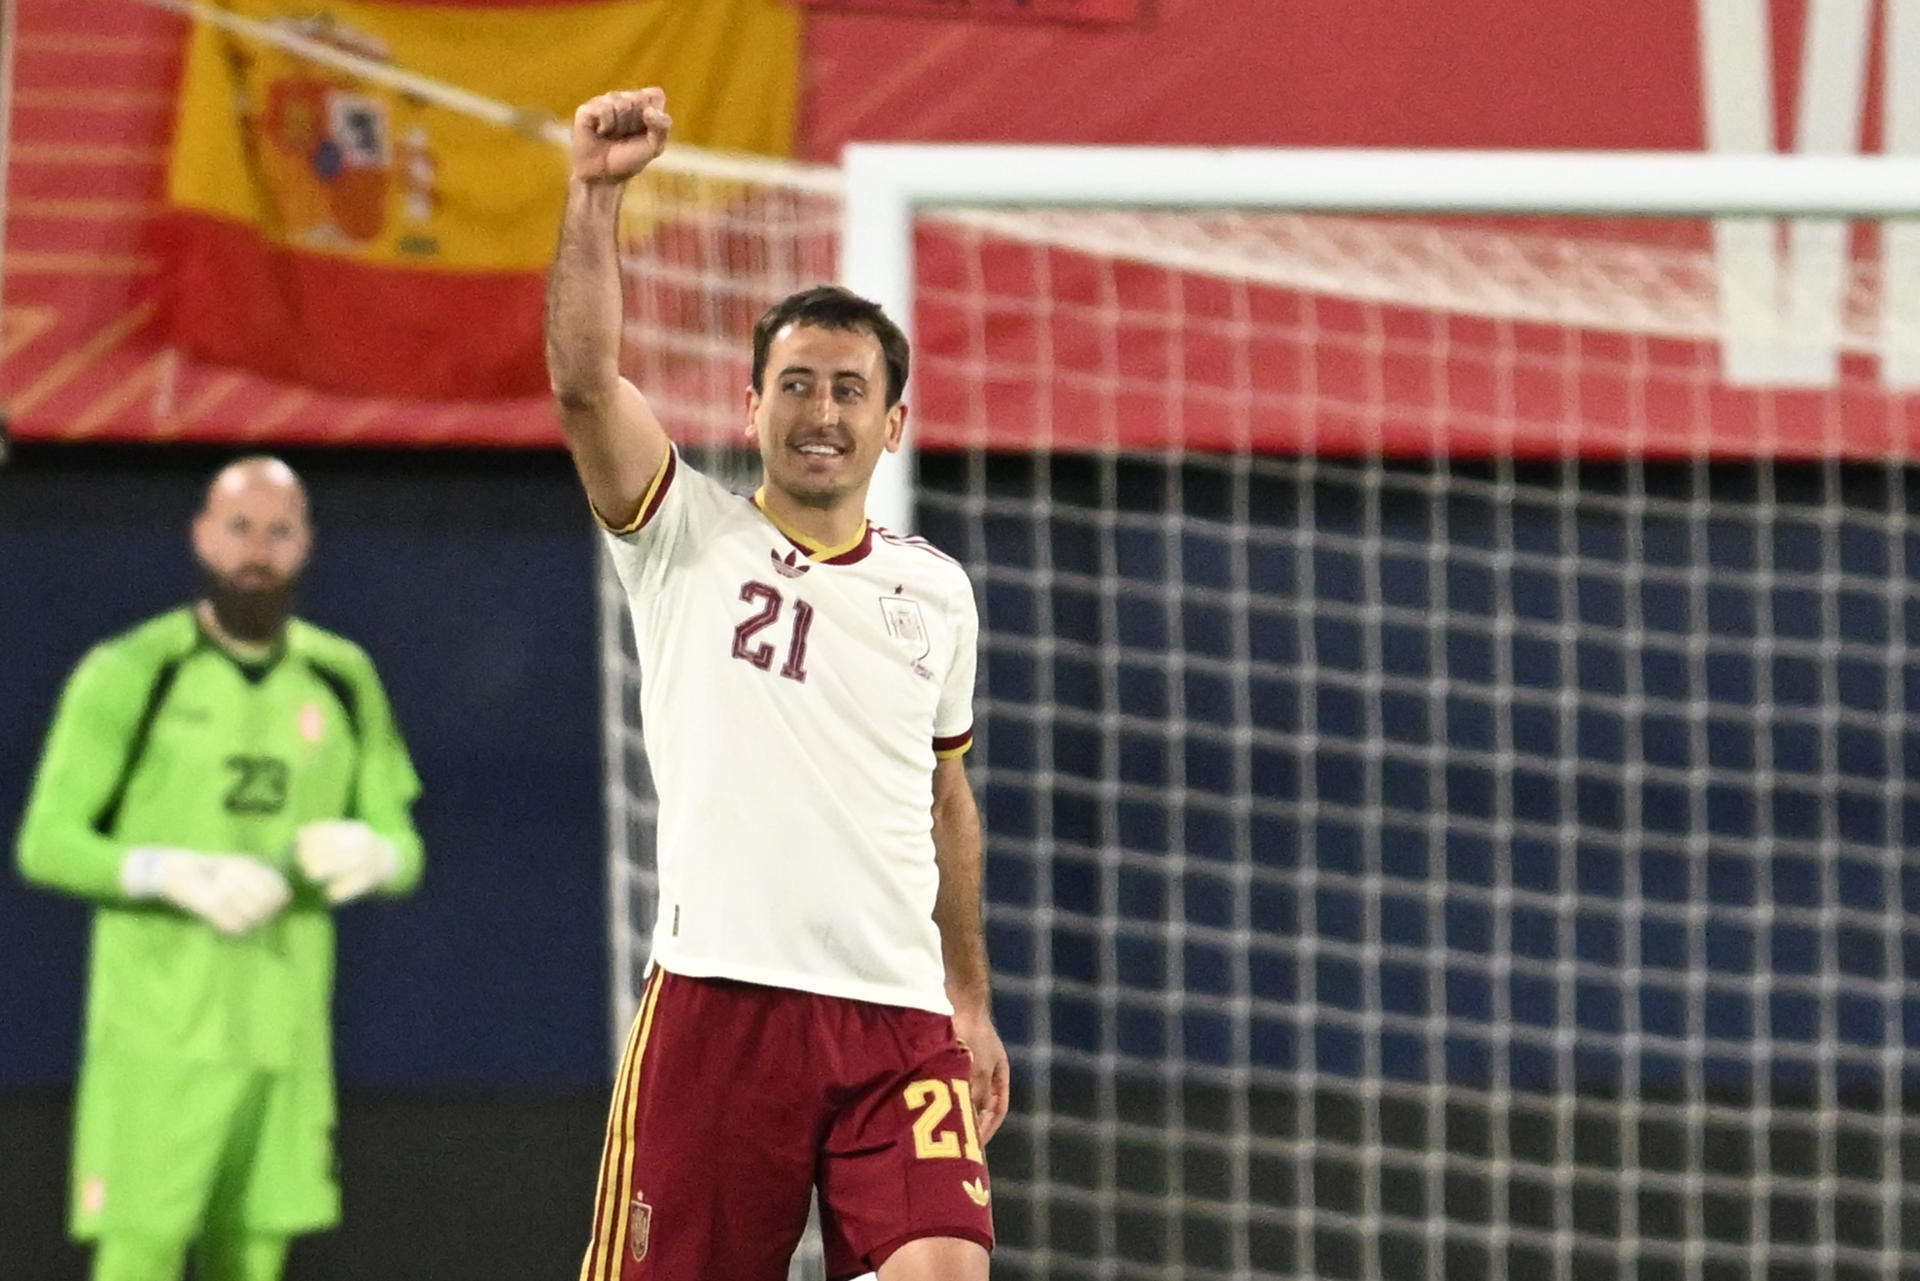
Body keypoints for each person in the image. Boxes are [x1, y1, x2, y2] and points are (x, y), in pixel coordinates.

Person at [549, 87, 1009, 1281]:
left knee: (947, 1272)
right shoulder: (681, 535)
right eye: (796, 384)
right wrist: (595, 196)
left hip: (896, 1022)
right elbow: (587, 385)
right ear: (751, 405)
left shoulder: (938, 595)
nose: (821, 413)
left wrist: (967, 994)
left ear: (893, 424)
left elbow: (946, 803)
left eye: (849, 391)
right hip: (721, 1008)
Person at [15, 456, 424, 1281]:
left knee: (256, 1260)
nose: (258, 549)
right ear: (202, 536)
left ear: (306, 543)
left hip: (284, 1037)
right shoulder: (133, 670)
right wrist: (166, 872)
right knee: (140, 1258)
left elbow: (403, 841)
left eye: (279, 530)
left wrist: (376, 856)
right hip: (157, 1041)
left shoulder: (343, 678)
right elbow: (46, 841)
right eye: (240, 526)